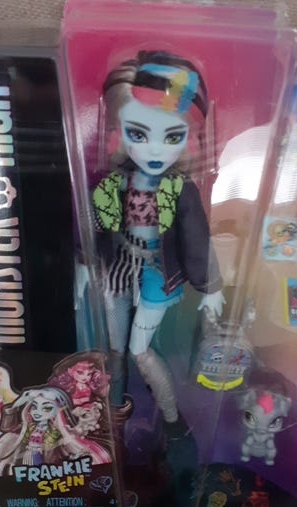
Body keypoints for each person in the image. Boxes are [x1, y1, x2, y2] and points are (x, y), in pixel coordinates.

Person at [92, 50, 224, 425]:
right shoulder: (112, 184)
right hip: (119, 266)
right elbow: (97, 225)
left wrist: (211, 285)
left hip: (158, 271)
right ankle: (113, 414)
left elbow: (196, 238)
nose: (154, 149)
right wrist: (85, 263)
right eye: (137, 133)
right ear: (118, 131)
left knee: (140, 350)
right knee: (115, 348)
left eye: (172, 136)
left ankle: (170, 416)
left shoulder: (180, 189)